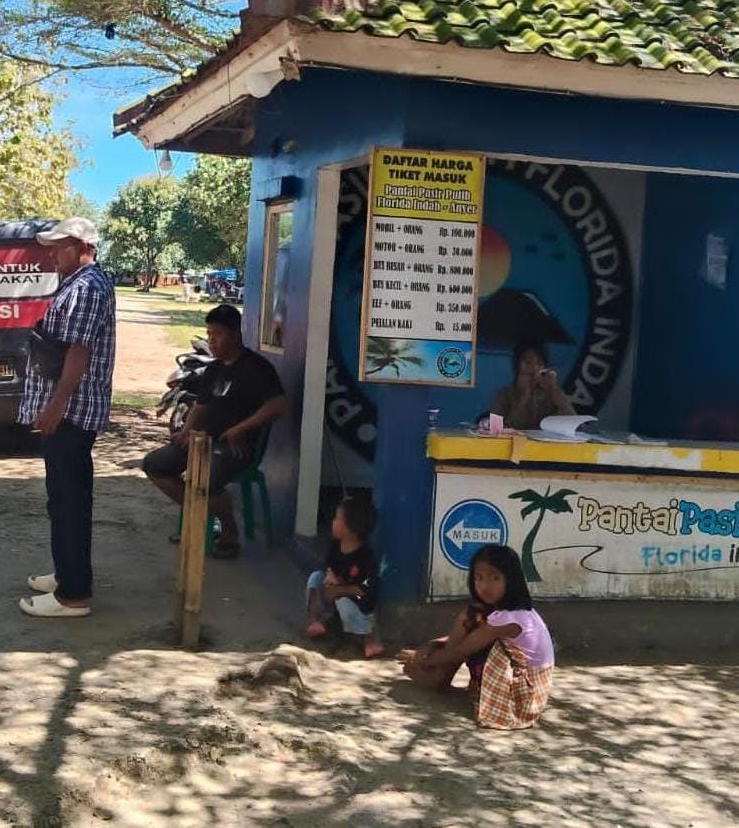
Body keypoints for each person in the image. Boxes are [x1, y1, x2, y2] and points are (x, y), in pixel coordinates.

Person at [17, 217, 116, 619]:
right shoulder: (77, 283)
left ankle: (74, 595)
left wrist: (57, 404)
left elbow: (78, 350)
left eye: (60, 247)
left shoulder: (88, 286)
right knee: (61, 499)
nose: (53, 255)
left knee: (70, 502)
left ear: (83, 246)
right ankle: (66, 575)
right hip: (66, 410)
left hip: (71, 413)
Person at [142, 304, 287, 559]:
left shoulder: (257, 368)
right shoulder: (214, 369)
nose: (211, 340)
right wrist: (186, 431)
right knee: (154, 465)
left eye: (217, 334)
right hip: (203, 440)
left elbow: (279, 405)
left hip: (237, 447)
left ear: (235, 334)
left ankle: (229, 531)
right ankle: (202, 517)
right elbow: (201, 407)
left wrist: (241, 429)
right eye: (208, 334)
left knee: (208, 477)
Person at [398, 545, 554, 728]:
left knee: (469, 619)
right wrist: (431, 646)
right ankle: (439, 676)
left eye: (494, 578)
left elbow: (460, 651)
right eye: (478, 578)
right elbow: (471, 639)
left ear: (511, 580)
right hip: (529, 691)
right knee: (473, 618)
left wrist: (422, 660)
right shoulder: (518, 611)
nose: (484, 585)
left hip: (520, 698)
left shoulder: (508, 618)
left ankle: (438, 678)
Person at [305, 495, 385, 658]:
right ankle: (315, 620)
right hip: (335, 595)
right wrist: (330, 576)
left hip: (357, 605)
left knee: (345, 604)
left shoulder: (366, 558)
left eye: (337, 518)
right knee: (315, 578)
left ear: (350, 529)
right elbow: (328, 566)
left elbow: (365, 590)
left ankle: (368, 637)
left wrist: (340, 590)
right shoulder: (335, 546)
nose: (333, 522)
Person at [486, 340, 575, 430]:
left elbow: (572, 421)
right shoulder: (502, 395)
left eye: (539, 362)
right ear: (517, 365)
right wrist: (524, 397)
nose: (534, 367)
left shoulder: (552, 394)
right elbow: (495, 428)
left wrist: (554, 390)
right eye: (528, 361)